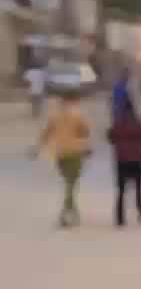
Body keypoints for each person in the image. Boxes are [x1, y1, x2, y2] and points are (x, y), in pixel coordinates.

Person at [37, 94, 92, 228]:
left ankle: (73, 211)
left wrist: (39, 147)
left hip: (60, 153)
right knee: (71, 183)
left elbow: (46, 133)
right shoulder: (77, 116)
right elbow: (85, 132)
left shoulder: (53, 117)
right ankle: (65, 213)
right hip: (75, 152)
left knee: (68, 182)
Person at [108, 97, 141, 227]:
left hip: (122, 160)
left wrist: (120, 143)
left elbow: (110, 138)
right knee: (138, 189)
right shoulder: (139, 124)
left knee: (121, 190)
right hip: (137, 160)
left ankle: (120, 218)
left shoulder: (118, 123)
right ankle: (140, 213)